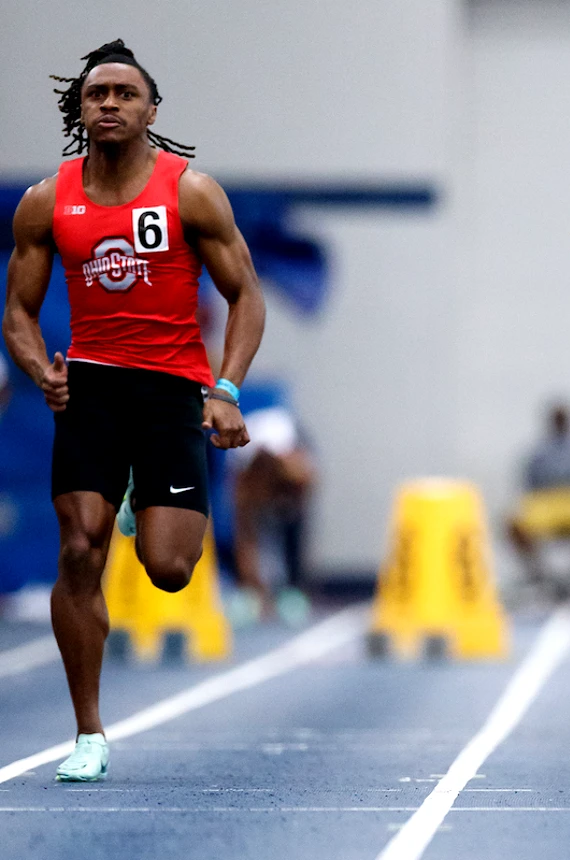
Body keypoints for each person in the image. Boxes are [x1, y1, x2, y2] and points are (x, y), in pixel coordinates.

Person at [2, 40, 266, 782]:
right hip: (88, 386)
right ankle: (88, 732)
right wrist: (37, 370)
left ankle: (133, 496)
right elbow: (17, 312)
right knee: (80, 550)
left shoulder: (192, 193)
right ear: (79, 110)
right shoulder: (47, 200)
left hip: (170, 389)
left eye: (124, 92)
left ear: (151, 109)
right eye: (97, 94)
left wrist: (226, 389)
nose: (109, 103)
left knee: (171, 569)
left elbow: (246, 294)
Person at [506, 402, 570, 598]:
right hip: (546, 504)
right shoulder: (537, 453)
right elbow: (529, 486)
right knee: (513, 524)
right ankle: (539, 574)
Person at [225, 405, 315, 626]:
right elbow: (245, 538)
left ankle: (293, 590)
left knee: (293, 525)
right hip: (254, 460)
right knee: (247, 531)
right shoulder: (242, 476)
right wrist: (252, 588)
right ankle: (247, 592)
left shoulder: (297, 470)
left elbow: (306, 487)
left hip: (289, 457)